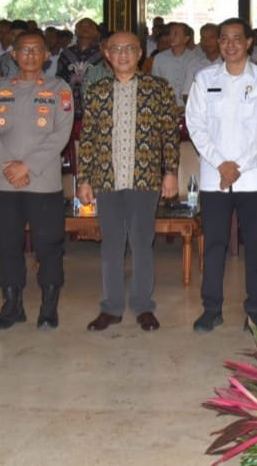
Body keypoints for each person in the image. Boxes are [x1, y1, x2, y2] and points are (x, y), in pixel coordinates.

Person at [77, 31, 179, 333]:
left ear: (140, 54)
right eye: (116, 49)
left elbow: (169, 134)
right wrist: (84, 179)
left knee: (141, 243)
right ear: (106, 54)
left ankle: (143, 306)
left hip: (144, 177)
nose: (123, 54)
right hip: (106, 178)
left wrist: (169, 171)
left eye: (130, 49)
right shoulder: (96, 91)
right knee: (111, 244)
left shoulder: (157, 88)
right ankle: (110, 308)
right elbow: (88, 138)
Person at [186, 18, 257, 333]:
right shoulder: (204, 78)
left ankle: (255, 311)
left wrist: (237, 165)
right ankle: (211, 309)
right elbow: (196, 125)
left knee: (255, 247)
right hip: (215, 179)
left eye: (236, 38)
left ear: (249, 42)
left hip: (251, 178)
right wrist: (220, 164)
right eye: (223, 38)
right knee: (213, 245)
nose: (229, 44)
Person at [0, 30, 74, 330]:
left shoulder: (60, 90)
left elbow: (61, 134)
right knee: (7, 244)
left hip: (43, 181)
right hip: (6, 183)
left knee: (49, 245)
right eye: (24, 50)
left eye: (36, 50)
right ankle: (11, 305)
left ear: (47, 55)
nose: (30, 55)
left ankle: (48, 307)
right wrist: (8, 166)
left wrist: (27, 166)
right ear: (13, 55)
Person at [55, 17, 103, 118]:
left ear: (96, 33)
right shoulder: (66, 53)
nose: (85, 28)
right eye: (81, 26)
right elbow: (59, 79)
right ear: (75, 31)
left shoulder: (103, 53)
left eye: (89, 26)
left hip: (95, 103)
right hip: (69, 103)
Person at [152, 22, 201, 107]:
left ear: (186, 38)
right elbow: (155, 83)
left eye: (175, 33)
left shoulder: (195, 59)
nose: (171, 37)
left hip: (188, 107)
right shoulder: (159, 58)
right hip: (165, 106)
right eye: (170, 33)